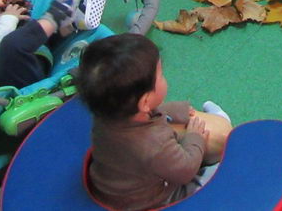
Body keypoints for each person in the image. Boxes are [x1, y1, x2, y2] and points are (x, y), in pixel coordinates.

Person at [74, 34, 233, 211]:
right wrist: (195, 138)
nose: (164, 77)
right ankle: (223, 124)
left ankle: (217, 123)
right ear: (145, 102)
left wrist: (180, 111)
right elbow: (185, 170)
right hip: (154, 200)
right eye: (161, 75)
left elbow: (154, 111)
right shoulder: (154, 144)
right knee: (217, 172)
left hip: (115, 189)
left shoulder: (106, 115)